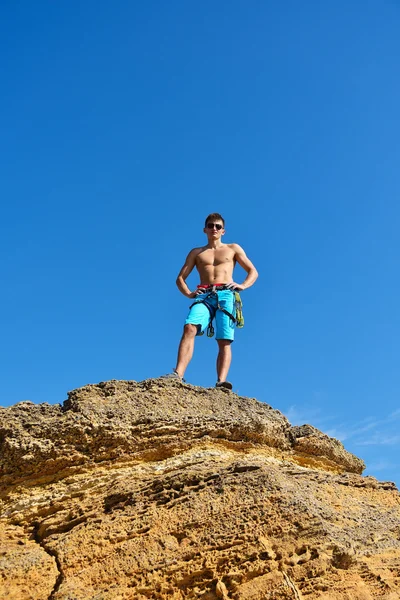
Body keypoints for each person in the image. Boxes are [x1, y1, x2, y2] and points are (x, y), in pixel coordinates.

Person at [163, 213, 258, 389]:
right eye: (211, 225)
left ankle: (221, 381)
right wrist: (189, 293)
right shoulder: (197, 252)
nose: (214, 228)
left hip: (226, 294)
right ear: (204, 229)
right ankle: (178, 374)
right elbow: (180, 278)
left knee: (224, 339)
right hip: (204, 294)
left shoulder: (233, 248)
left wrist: (242, 285)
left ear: (223, 231)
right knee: (189, 327)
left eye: (218, 226)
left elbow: (253, 271)